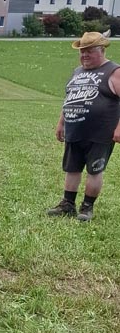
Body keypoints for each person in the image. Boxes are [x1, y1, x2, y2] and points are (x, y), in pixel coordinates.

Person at [48, 30, 120, 222]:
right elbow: (69, 99)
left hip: (100, 133)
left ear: (102, 50)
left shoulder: (114, 71)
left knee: (94, 170)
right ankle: (67, 204)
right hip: (75, 129)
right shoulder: (77, 72)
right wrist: (61, 123)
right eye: (82, 51)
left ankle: (87, 207)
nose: (84, 55)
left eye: (89, 51)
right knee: (72, 168)